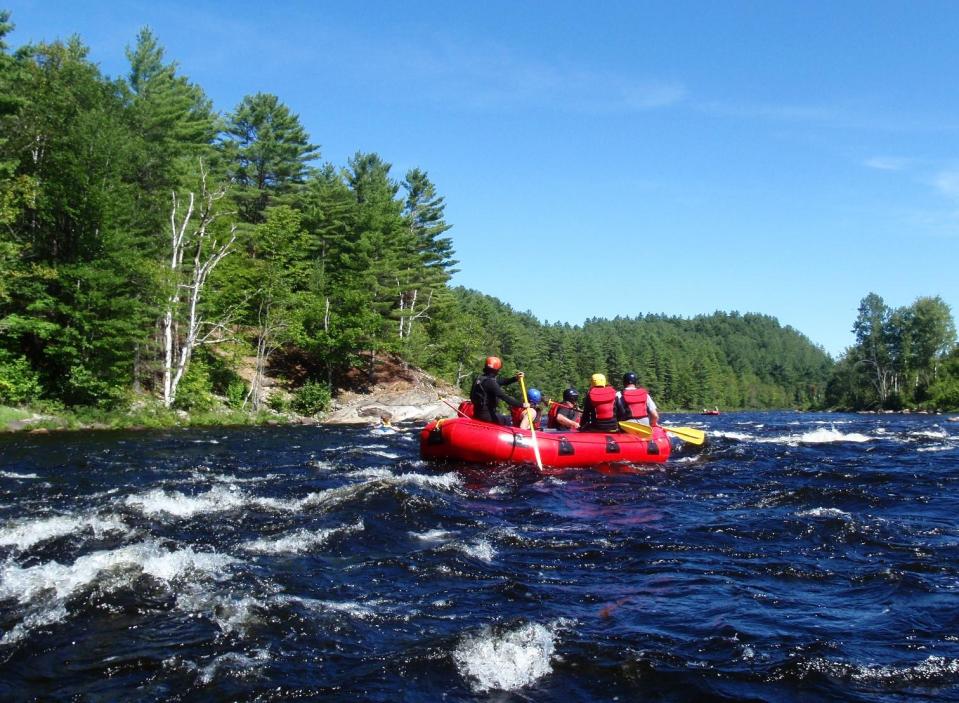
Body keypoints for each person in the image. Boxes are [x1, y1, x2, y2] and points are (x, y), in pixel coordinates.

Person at [469, 356, 528, 425]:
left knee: (501, 416)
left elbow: (503, 381)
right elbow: (504, 397)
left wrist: (515, 378)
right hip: (486, 416)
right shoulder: (490, 382)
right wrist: (522, 405)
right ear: (496, 370)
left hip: (477, 413)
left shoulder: (480, 378)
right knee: (509, 419)